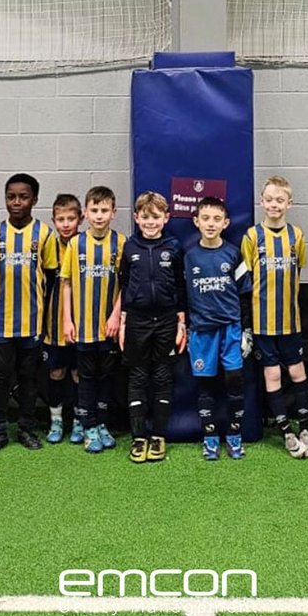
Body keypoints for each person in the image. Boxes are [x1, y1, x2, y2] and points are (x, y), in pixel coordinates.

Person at [0, 173, 58, 455]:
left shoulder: (45, 234)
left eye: (23, 197)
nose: (16, 202)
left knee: (28, 377)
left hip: (32, 322)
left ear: (34, 200)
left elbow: (51, 276)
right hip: (1, 323)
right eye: (11, 196)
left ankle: (26, 428)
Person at [240, 176, 308, 459]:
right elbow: (247, 278)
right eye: (269, 199)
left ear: (289, 204)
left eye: (280, 200)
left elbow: (299, 272)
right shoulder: (251, 236)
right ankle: (286, 430)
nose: (274, 204)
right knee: (272, 375)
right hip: (262, 323)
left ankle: (305, 427)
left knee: (297, 373)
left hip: (290, 321)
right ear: (262, 202)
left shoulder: (297, 236)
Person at [118, 191, 186, 463]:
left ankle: (158, 436)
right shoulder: (129, 247)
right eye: (145, 217)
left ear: (166, 218)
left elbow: (181, 287)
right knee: (137, 377)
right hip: (137, 320)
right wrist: (123, 320)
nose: (150, 222)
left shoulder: (174, 247)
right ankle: (138, 438)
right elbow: (123, 284)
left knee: (161, 377)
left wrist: (182, 322)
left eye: (156, 217)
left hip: (167, 321)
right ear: (136, 218)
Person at [183, 196, 250, 461]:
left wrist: (247, 331)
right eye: (206, 218)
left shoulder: (234, 254)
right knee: (205, 385)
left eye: (217, 219)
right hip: (201, 332)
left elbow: (245, 295)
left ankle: (234, 435)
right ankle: (210, 437)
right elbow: (182, 295)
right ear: (196, 221)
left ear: (226, 223)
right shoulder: (189, 257)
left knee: (234, 382)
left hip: (231, 330)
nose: (211, 224)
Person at [62, 186, 124, 453]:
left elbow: (126, 285)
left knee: (106, 378)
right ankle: (88, 427)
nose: (99, 216)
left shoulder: (120, 243)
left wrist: (116, 315)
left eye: (104, 210)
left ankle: (102, 425)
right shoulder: (76, 244)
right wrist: (67, 320)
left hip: (108, 328)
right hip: (83, 327)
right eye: (94, 210)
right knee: (86, 378)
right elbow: (66, 284)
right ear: (85, 213)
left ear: (114, 212)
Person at [43, 193, 83, 446]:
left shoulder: (87, 245)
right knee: (56, 372)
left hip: (82, 324)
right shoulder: (47, 247)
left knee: (80, 373)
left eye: (70, 218)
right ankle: (56, 420)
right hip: (53, 326)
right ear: (54, 221)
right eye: (60, 219)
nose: (66, 224)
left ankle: (80, 420)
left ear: (80, 218)